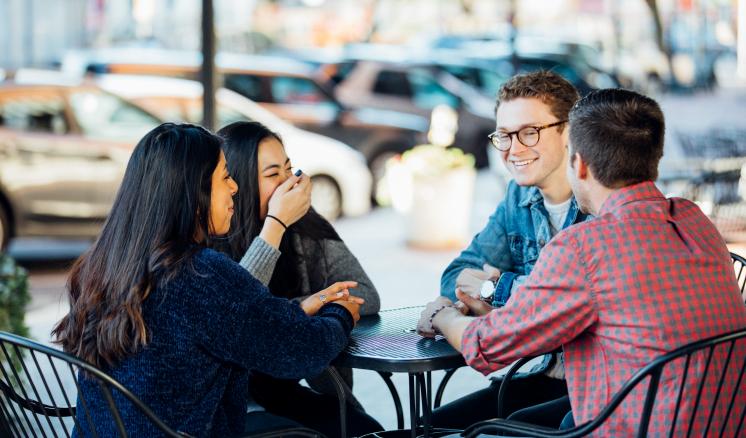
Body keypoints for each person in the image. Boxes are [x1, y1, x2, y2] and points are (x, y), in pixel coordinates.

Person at [419, 89, 746, 435]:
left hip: (632, 426)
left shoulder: (584, 246)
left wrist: (444, 316)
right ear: (656, 156)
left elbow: (485, 347)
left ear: (579, 164)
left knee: (469, 430)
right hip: (720, 424)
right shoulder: (694, 219)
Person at [53, 123, 365, 437]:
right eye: (226, 177)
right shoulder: (199, 273)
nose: (235, 188)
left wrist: (295, 312)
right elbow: (300, 354)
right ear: (194, 190)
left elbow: (232, 323)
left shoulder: (104, 265)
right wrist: (339, 314)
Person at [431, 71, 587, 429]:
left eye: (529, 132)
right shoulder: (519, 196)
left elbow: (555, 312)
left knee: (498, 427)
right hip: (539, 373)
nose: (513, 149)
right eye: (504, 135)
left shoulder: (600, 199)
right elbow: (457, 275)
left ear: (569, 131)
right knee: (431, 425)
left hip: (593, 387)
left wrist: (494, 289)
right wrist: (495, 294)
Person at [216, 120, 382, 437]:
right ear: (237, 183)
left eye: (288, 169)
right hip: (232, 403)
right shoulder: (215, 237)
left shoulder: (302, 224)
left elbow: (365, 295)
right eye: (271, 174)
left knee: (367, 431)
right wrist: (301, 307)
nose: (288, 183)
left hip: (282, 388)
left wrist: (312, 305)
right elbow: (237, 315)